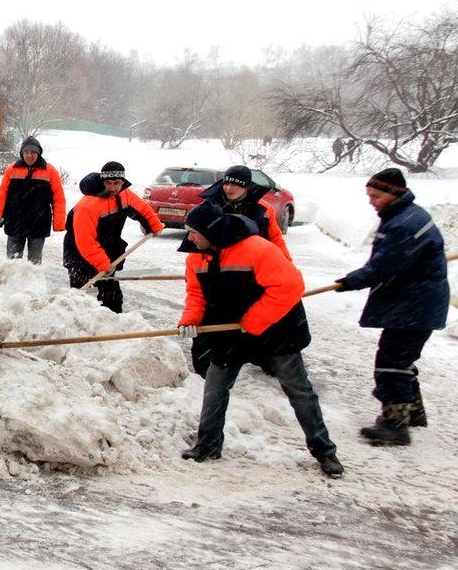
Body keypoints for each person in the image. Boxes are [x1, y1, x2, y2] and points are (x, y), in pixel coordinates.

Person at [177, 201, 343, 478]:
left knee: (299, 391)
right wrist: (190, 319)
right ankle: (208, 444)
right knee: (215, 388)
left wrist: (253, 322)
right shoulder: (197, 257)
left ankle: (324, 451)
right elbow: (197, 295)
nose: (189, 237)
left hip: (276, 331)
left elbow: (290, 286)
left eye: (193, 231)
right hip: (228, 332)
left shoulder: (258, 249)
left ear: (211, 230)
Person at [334, 168, 448, 446]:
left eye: (376, 195)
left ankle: (395, 425)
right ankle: (413, 412)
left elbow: (383, 267)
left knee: (392, 362)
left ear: (393, 194)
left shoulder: (403, 225)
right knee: (402, 359)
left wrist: (351, 281)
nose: (371, 201)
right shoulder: (409, 215)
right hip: (419, 300)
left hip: (414, 303)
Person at [64, 161, 164, 312]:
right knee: (81, 297)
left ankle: (113, 321)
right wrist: (103, 263)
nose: (112, 188)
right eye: (108, 183)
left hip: (107, 250)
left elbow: (142, 209)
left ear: (123, 182)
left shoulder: (125, 195)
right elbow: (85, 240)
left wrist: (154, 225)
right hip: (79, 255)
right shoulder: (88, 206)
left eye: (117, 183)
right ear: (102, 181)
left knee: (112, 297)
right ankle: (76, 324)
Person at [0, 136, 65, 264]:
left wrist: (58, 223)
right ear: (21, 153)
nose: (29, 155)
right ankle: (14, 284)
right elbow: (2, 196)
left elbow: (58, 199)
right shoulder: (12, 169)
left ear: (39, 153)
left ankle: (32, 283)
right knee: (12, 262)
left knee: (34, 263)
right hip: (15, 222)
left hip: (39, 223)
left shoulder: (50, 171)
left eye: (33, 152)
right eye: (26, 152)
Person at [196, 164, 292, 261]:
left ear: (246, 186)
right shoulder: (211, 206)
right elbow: (196, 241)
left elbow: (276, 240)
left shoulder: (263, 209)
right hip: (218, 265)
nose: (228, 188)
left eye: (234, 185)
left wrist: (287, 264)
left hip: (253, 265)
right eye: (226, 184)